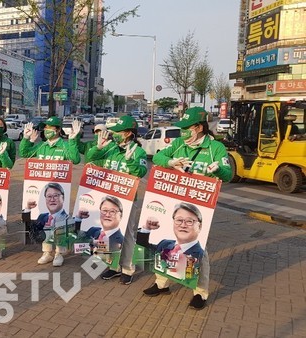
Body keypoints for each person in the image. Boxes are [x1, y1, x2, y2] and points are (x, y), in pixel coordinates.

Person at [142, 106, 232, 310]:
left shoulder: (215, 148)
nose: (182, 132)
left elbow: (228, 174)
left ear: (199, 128)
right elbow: (157, 158)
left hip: (200, 206)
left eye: (186, 128)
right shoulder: (179, 144)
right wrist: (170, 161)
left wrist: (219, 170)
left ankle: (200, 292)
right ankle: (161, 283)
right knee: (166, 243)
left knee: (200, 250)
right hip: (175, 201)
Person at [85, 115, 147, 284]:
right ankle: (113, 266)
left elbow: (141, 172)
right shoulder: (111, 147)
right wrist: (98, 148)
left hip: (127, 199)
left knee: (127, 234)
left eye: (118, 132)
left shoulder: (138, 151)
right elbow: (89, 159)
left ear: (128, 133)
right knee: (108, 233)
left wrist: (130, 162)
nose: (115, 134)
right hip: (108, 198)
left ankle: (127, 268)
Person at [137, 203, 205, 282]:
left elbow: (193, 277)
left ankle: (199, 294)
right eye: (179, 220)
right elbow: (144, 251)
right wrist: (146, 228)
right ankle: (161, 286)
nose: (183, 225)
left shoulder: (201, 255)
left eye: (189, 221)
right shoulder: (165, 243)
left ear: (199, 226)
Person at [26, 182, 69, 267]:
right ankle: (47, 253)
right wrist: (28, 209)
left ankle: (59, 254)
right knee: (45, 228)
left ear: (63, 198)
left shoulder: (67, 218)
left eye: (56, 196)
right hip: (46, 235)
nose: (52, 199)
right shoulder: (43, 216)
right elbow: (30, 228)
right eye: (49, 196)